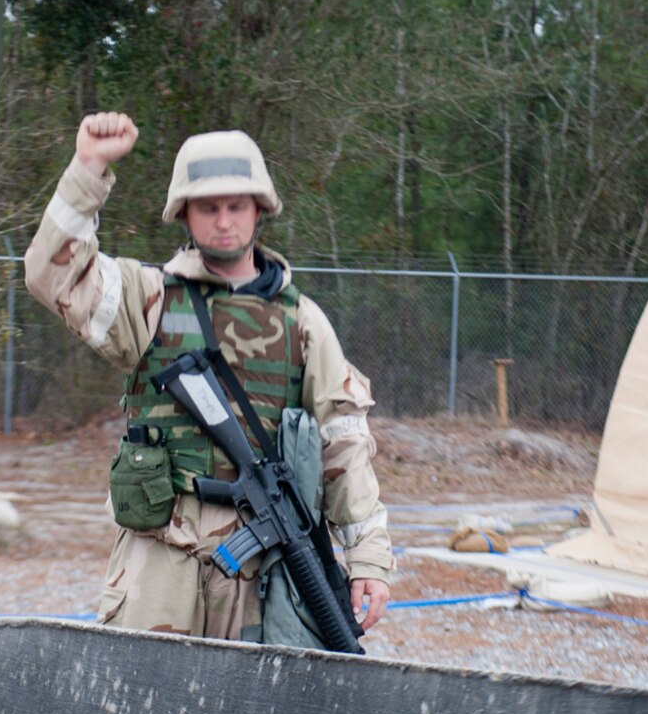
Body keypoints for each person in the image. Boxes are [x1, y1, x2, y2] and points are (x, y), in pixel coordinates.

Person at [24, 112, 393, 643]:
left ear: (259, 210)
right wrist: (88, 168)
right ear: (184, 215)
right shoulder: (148, 299)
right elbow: (51, 273)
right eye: (208, 208)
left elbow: (343, 444)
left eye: (236, 206)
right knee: (142, 692)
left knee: (254, 698)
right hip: (158, 560)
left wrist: (368, 559)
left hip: (260, 570)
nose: (224, 221)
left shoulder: (303, 322)